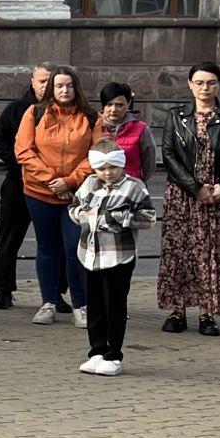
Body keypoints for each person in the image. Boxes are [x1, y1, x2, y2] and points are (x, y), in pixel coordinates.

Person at [158, 61, 220, 337]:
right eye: (199, 82)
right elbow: (169, 155)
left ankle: (207, 313)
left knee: (213, 254)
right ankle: (177, 311)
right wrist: (195, 187)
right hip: (183, 196)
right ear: (190, 84)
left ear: (219, 84)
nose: (205, 87)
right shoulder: (177, 115)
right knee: (180, 252)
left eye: (211, 82)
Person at [16, 66, 94, 327]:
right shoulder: (35, 113)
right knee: (47, 247)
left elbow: (96, 155)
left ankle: (80, 305)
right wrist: (52, 180)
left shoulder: (90, 116)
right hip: (40, 192)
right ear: (51, 88)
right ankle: (48, 302)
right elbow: (24, 151)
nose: (64, 90)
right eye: (59, 85)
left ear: (76, 88)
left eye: (69, 85)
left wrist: (70, 181)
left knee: (74, 248)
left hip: (76, 195)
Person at [73, 140, 155, 377]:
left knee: (114, 306)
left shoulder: (134, 187)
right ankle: (97, 350)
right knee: (94, 305)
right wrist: (81, 215)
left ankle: (114, 354)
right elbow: (74, 206)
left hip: (118, 257)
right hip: (88, 255)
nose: (107, 173)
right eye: (101, 169)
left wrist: (120, 219)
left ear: (121, 166)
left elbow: (148, 218)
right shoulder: (89, 183)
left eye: (112, 168)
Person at [0, 64, 53, 310]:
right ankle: (3, 290)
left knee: (52, 241)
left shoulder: (63, 111)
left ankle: (55, 293)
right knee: (8, 239)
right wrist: (17, 163)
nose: (45, 85)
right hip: (18, 182)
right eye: (42, 80)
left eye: (50, 80)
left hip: (50, 185)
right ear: (33, 81)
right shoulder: (17, 109)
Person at [96, 81, 158, 184]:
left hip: (132, 186)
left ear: (128, 104)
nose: (114, 109)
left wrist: (139, 181)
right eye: (109, 104)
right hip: (100, 187)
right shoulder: (93, 127)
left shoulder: (141, 129)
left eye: (119, 105)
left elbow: (149, 163)